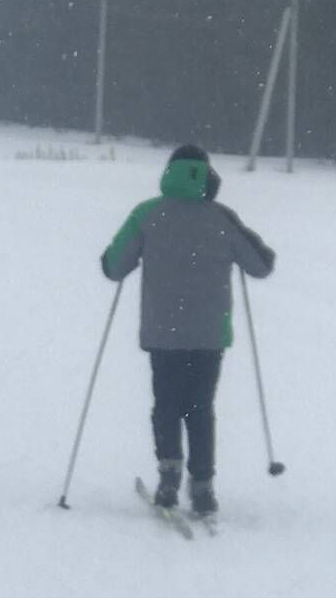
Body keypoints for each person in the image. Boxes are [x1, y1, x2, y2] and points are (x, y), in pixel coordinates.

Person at [99, 144, 275, 515]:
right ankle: (203, 486)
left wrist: (112, 257)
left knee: (166, 404)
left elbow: (115, 267)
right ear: (208, 177)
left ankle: (168, 476)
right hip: (209, 336)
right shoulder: (222, 217)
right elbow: (260, 266)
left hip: (163, 333)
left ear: (168, 174)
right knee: (200, 407)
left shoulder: (148, 215)